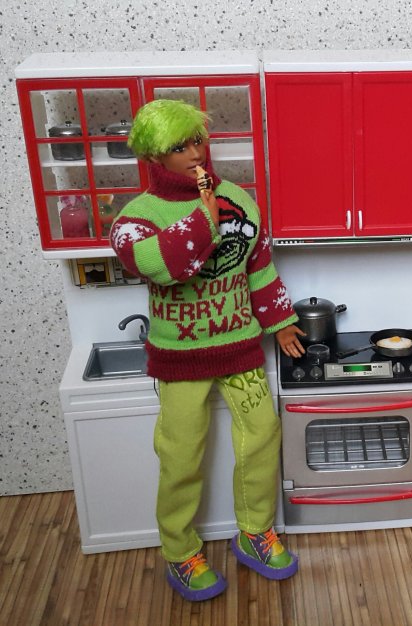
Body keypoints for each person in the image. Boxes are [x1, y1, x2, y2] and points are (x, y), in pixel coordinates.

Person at [110, 99, 306, 602]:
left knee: (261, 436)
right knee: (180, 455)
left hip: (239, 347)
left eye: (197, 140)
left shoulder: (238, 199)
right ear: (155, 157)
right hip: (179, 360)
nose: (195, 154)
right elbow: (159, 266)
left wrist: (281, 322)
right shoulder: (136, 218)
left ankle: (255, 532)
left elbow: (258, 266)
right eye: (179, 147)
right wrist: (204, 215)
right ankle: (180, 552)